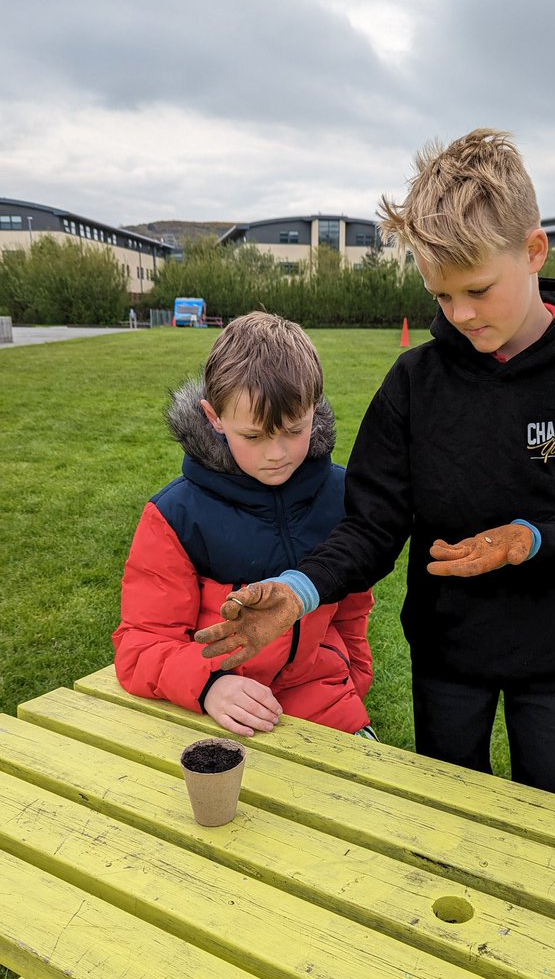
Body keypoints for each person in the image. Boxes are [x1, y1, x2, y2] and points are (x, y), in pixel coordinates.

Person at [194, 130, 555, 801]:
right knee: (450, 822)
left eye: (477, 288)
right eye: (441, 297)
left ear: (533, 251)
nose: (461, 314)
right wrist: (299, 592)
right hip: (449, 655)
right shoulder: (415, 382)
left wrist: (533, 540)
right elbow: (371, 526)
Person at [113, 311, 376, 739]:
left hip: (325, 698)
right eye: (253, 437)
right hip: (214, 708)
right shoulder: (176, 516)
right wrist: (209, 685)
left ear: (315, 408)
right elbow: (140, 643)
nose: (277, 453)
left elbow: (353, 611)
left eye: (294, 430)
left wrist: (354, 680)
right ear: (214, 418)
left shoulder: (344, 496)